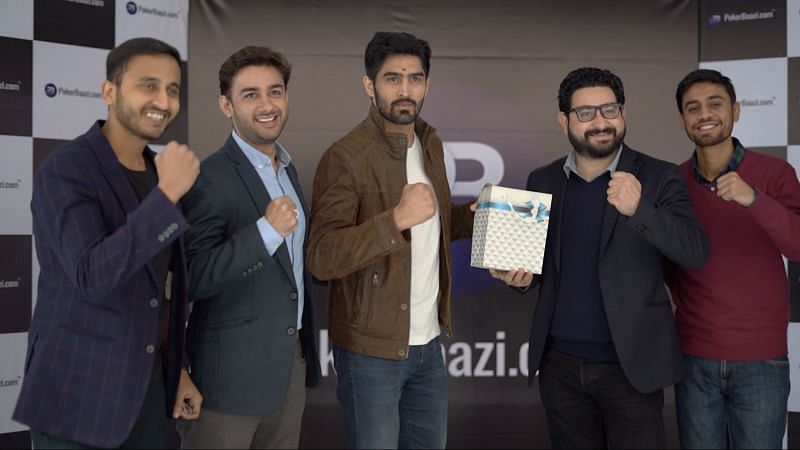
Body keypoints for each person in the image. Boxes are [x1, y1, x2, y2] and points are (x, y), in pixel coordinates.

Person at [491, 67, 709, 449]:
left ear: (623, 113)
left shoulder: (660, 177)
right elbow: (539, 268)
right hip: (560, 367)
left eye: (609, 110)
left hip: (631, 368)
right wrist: (521, 277)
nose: (600, 122)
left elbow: (694, 251)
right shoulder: (542, 180)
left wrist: (640, 209)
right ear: (564, 121)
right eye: (586, 113)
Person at [13, 37, 202, 449]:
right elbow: (92, 276)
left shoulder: (160, 171)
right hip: (77, 399)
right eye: (148, 85)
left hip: (147, 396)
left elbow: (161, 291)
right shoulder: (66, 169)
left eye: (173, 89)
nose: (164, 100)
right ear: (109, 92)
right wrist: (167, 197)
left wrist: (178, 369)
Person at [305, 31, 474, 449]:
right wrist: (395, 219)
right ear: (369, 84)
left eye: (415, 79)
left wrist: (467, 219)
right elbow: (321, 257)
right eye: (392, 78)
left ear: (427, 85)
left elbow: (427, 227)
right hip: (370, 352)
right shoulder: (345, 157)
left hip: (428, 346)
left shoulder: (430, 144)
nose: (405, 90)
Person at [178, 46, 321, 449]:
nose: (266, 105)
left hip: (287, 375)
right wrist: (264, 233)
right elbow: (196, 277)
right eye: (250, 94)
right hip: (227, 382)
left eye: (275, 92)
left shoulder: (288, 169)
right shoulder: (207, 177)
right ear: (226, 105)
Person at [666, 68, 800, 449]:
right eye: (693, 108)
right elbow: (666, 261)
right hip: (693, 357)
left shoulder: (775, 174)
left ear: (736, 111)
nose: (704, 114)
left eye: (715, 104)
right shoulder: (673, 182)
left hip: (762, 361)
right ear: (682, 121)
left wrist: (753, 200)